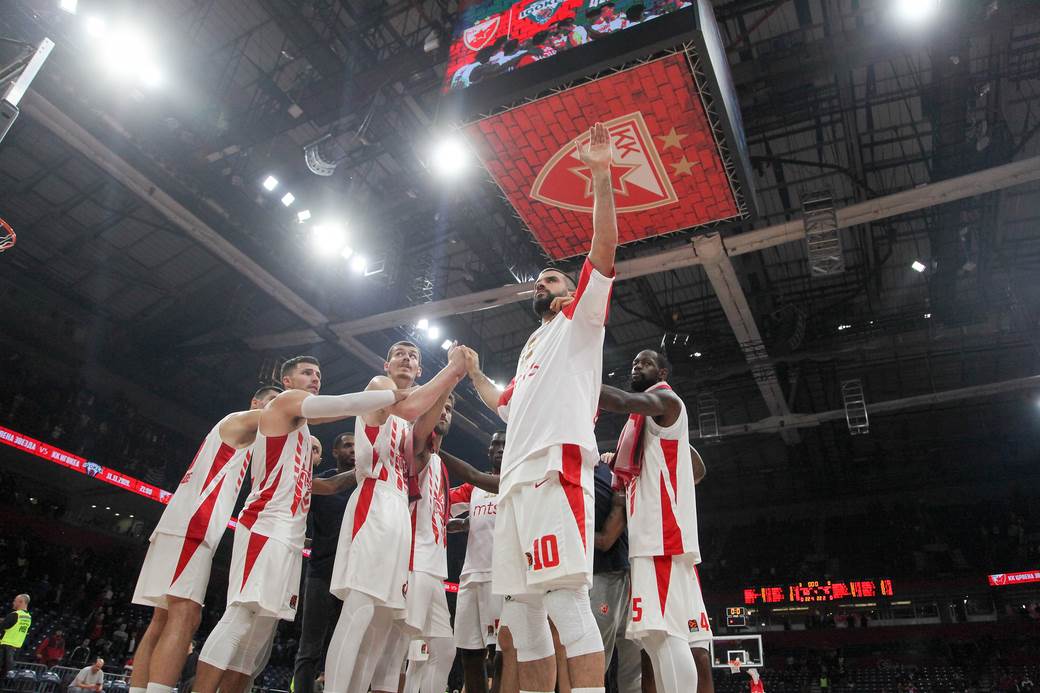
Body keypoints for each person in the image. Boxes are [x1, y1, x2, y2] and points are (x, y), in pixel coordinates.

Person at [465, 122, 618, 693]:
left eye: (550, 275)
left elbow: (603, 250)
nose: (541, 282)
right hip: (514, 481)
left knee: (567, 605)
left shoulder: (581, 321)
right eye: (540, 279)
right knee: (524, 621)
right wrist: (473, 372)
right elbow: (502, 405)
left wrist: (601, 173)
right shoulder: (532, 347)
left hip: (556, 471)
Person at [195, 355, 423, 693]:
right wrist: (398, 394)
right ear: (287, 381)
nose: (315, 378)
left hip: (289, 536)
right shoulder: (287, 404)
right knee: (240, 619)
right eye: (306, 373)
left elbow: (328, 485)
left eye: (318, 373)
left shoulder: (303, 435)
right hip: (265, 525)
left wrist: (364, 471)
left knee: (258, 636)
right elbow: (345, 404)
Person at [324, 342, 469, 693]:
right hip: (375, 500)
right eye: (400, 354)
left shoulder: (406, 418)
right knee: (359, 612)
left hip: (398, 510)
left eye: (414, 356)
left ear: (419, 370)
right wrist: (451, 371)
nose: (407, 358)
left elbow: (421, 434)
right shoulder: (379, 387)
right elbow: (411, 408)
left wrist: (451, 382)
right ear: (386, 363)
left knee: (382, 620)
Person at [128, 385, 283, 693]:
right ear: (256, 403)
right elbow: (283, 417)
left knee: (163, 618)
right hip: (194, 523)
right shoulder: (239, 421)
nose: (281, 409)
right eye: (274, 403)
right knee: (186, 615)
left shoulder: (248, 441)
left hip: (183, 521)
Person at [598, 349, 709, 693]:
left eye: (645, 362)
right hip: (658, 539)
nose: (636, 366)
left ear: (661, 371)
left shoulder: (666, 401)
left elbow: (620, 399)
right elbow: (699, 470)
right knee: (657, 638)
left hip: (662, 538)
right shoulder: (649, 425)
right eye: (633, 363)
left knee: (664, 635)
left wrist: (574, 373)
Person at [371, 394, 460, 693]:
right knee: (398, 648)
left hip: (433, 569)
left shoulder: (439, 463)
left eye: (449, 408)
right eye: (440, 406)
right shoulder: (417, 448)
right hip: (413, 563)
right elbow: (420, 436)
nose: (444, 412)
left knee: (444, 650)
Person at [292, 432, 356, 693]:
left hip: (353, 577)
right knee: (309, 649)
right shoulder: (319, 483)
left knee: (347, 647)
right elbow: (296, 517)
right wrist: (306, 541)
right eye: (347, 446)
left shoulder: (368, 486)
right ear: (335, 451)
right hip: (320, 572)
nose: (353, 450)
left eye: (357, 446)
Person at [445, 433, 505, 693]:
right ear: (488, 451)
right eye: (495, 444)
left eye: (505, 444)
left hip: (503, 579)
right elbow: (442, 505)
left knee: (501, 654)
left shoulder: (518, 479)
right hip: (470, 577)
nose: (499, 449)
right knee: (469, 652)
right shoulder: (474, 488)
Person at [589, 458, 641, 693]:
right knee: (596, 657)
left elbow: (607, 539)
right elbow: (604, 541)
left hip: (627, 573)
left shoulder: (608, 466)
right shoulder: (563, 469)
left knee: (633, 662)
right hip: (601, 574)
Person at [0, 593, 30, 678]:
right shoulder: (28, 617)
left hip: (4, 648)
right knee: (4, 675)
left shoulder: (14, 614)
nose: (13, 603)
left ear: (21, 602)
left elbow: (2, 627)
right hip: (15, 650)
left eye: (15, 601)